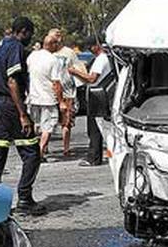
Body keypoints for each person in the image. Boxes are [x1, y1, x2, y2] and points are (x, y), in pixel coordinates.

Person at [0, 16, 42, 214]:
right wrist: (22, 115)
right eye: (30, 34)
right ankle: (25, 197)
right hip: (10, 105)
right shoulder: (15, 47)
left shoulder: (2, 46)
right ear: (24, 31)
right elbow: (12, 81)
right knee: (32, 153)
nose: (29, 38)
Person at [68, 38, 113, 166]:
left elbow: (92, 79)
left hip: (97, 97)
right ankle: (105, 155)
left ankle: (93, 157)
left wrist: (75, 72)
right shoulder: (105, 58)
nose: (89, 50)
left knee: (94, 129)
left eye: (90, 47)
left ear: (96, 46)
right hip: (100, 96)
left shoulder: (101, 59)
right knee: (100, 128)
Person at [26, 30, 66, 159]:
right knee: (47, 127)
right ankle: (40, 152)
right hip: (48, 99)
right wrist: (61, 101)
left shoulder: (32, 56)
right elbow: (56, 83)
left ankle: (34, 151)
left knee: (36, 125)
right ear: (52, 45)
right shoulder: (53, 60)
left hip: (33, 97)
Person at [51, 30, 83, 158]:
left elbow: (78, 68)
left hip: (67, 92)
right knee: (48, 123)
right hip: (50, 92)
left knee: (66, 122)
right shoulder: (46, 53)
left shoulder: (69, 53)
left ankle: (66, 148)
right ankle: (44, 148)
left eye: (57, 37)